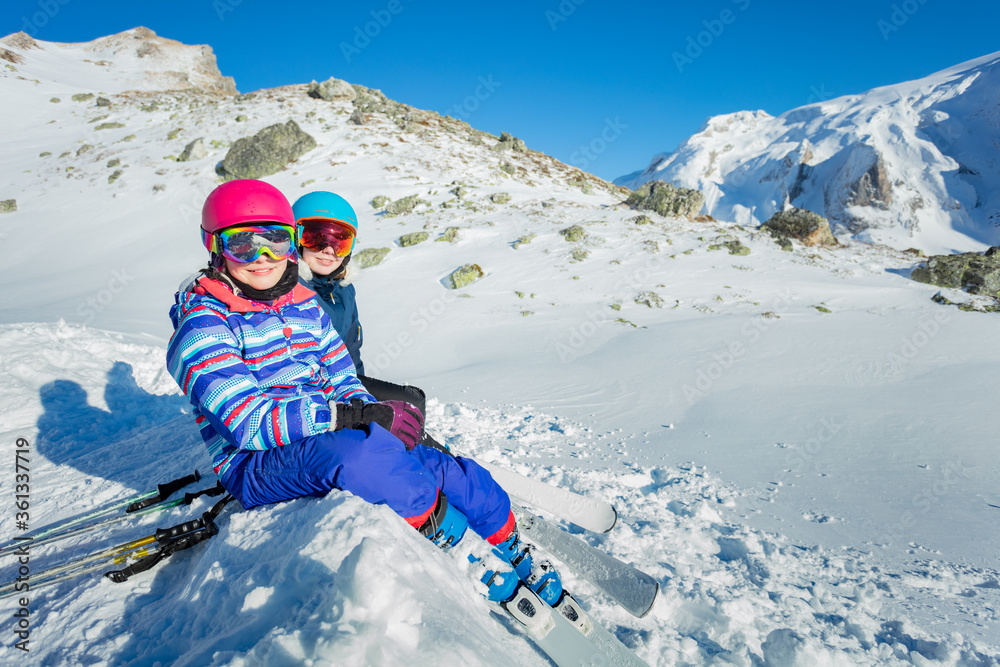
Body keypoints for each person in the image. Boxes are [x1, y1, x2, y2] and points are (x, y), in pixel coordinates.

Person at [165, 179, 562, 604]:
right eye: (244, 245)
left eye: (276, 242)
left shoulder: (304, 304)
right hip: (254, 463)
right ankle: (460, 549)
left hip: (324, 431)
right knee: (360, 457)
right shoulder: (202, 325)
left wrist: (373, 412)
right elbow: (248, 423)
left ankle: (509, 542)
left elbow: (342, 377)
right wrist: (348, 417)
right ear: (215, 247)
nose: (263, 258)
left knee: (439, 464)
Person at [292, 190, 445, 452]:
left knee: (411, 401)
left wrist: (360, 395)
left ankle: (415, 450)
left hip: (343, 381)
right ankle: (412, 454)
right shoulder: (288, 289)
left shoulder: (343, 288)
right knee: (407, 403)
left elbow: (352, 349)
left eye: (340, 241)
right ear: (296, 238)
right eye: (316, 238)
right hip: (309, 392)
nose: (328, 250)